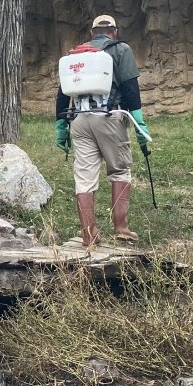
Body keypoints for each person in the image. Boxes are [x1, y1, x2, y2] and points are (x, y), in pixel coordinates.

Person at [55, 14, 149, 246]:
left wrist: (61, 126)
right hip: (109, 117)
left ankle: (89, 234)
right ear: (114, 31)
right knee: (119, 170)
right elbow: (130, 88)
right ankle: (121, 228)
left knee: (84, 178)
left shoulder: (75, 55)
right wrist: (139, 124)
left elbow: (62, 93)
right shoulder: (120, 50)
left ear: (92, 32)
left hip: (78, 120)